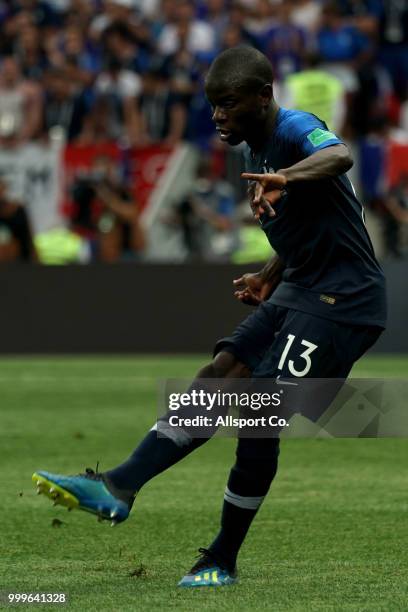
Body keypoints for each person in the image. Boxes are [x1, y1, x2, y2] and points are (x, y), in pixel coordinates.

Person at [32, 46, 387, 588]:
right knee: (220, 372)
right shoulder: (257, 151)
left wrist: (286, 178)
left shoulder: (295, 129)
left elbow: (339, 157)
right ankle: (119, 486)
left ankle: (221, 557)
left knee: (256, 411)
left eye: (229, 104)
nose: (218, 115)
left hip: (346, 300)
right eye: (212, 105)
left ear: (264, 96)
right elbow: (317, 227)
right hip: (300, 288)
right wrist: (271, 273)